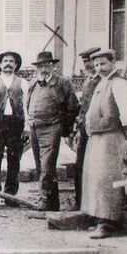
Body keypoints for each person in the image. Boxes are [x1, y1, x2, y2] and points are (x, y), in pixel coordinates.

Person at [82, 49, 127, 239]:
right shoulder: (101, 82)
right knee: (95, 180)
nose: (99, 68)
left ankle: (108, 223)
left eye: (103, 64)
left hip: (111, 138)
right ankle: (99, 218)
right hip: (97, 138)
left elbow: (126, 110)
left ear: (113, 63)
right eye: (97, 65)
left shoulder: (119, 84)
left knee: (107, 179)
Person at [25, 51, 80, 212]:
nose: (43, 69)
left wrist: (63, 127)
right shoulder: (34, 83)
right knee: (40, 167)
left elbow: (73, 107)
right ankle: (52, 203)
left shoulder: (62, 83)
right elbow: (28, 105)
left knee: (47, 165)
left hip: (52, 128)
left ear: (53, 66)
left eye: (47, 65)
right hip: (35, 127)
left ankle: (43, 200)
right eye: (40, 66)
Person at [0, 51, 29, 206]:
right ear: (0, 65)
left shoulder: (22, 83)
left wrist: (27, 127)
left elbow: (27, 107)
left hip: (16, 125)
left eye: (11, 61)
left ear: (15, 65)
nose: (8, 63)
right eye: (5, 61)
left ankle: (10, 196)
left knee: (14, 161)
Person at [70, 46, 100, 210]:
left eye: (90, 61)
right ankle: (81, 202)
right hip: (84, 128)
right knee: (80, 166)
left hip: (96, 130)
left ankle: (91, 205)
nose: (88, 64)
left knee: (93, 167)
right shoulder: (89, 80)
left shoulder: (101, 80)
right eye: (85, 61)